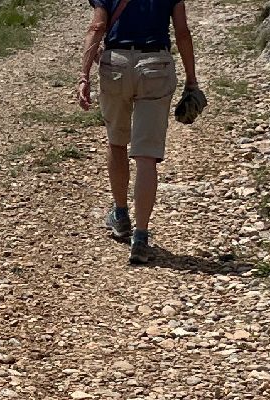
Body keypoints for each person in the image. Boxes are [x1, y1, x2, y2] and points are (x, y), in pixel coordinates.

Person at [77, 0, 197, 264]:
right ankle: (140, 237)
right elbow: (182, 32)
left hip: (116, 65)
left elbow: (97, 26)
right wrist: (191, 79)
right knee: (146, 156)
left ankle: (121, 216)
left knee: (117, 142)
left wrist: (84, 76)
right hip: (156, 65)